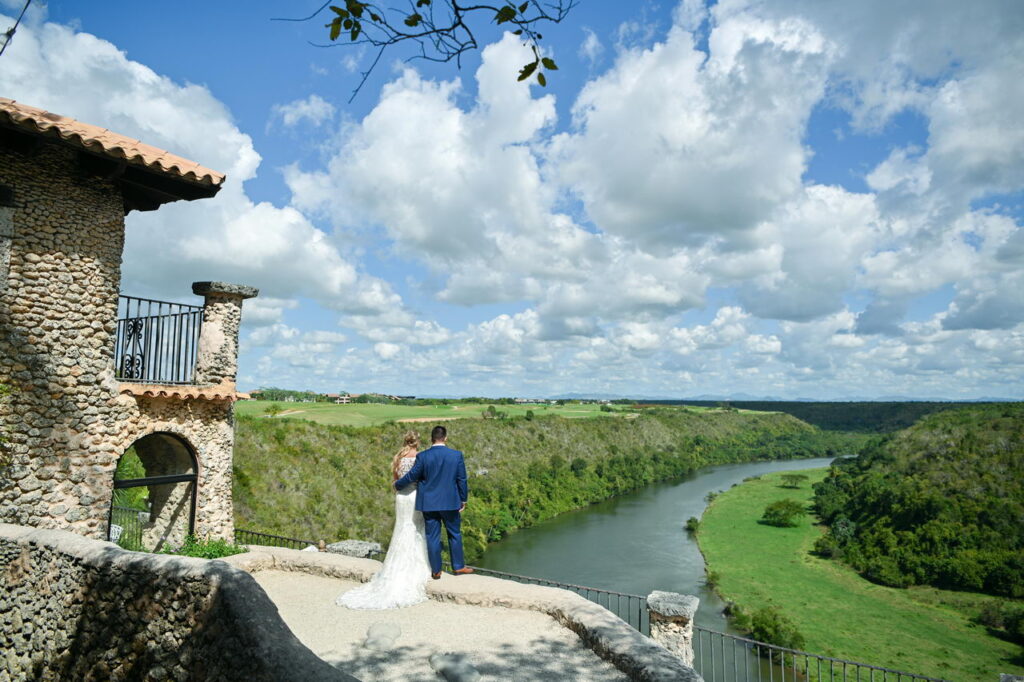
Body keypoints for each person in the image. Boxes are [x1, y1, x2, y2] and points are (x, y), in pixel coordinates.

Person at [336, 431, 431, 609]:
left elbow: (395, 480)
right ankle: (415, 567)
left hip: (401, 497)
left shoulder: (398, 458)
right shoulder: (420, 457)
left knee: (402, 528)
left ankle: (395, 567)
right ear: (417, 442)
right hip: (414, 496)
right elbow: (423, 479)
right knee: (416, 529)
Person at [393, 424, 473, 579]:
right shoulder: (456, 455)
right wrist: (463, 499)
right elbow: (461, 479)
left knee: (432, 536)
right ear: (446, 438)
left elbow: (412, 476)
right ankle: (458, 567)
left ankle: (436, 570)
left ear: (431, 439)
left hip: (429, 503)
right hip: (450, 502)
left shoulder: (423, 456)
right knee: (454, 534)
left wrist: (398, 484)